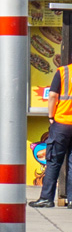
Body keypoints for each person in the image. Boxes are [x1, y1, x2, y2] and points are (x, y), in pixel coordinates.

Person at [29, 60, 72, 208]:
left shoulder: (63, 72)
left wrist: (51, 117)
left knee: (53, 161)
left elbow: (53, 95)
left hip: (62, 123)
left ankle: (46, 198)